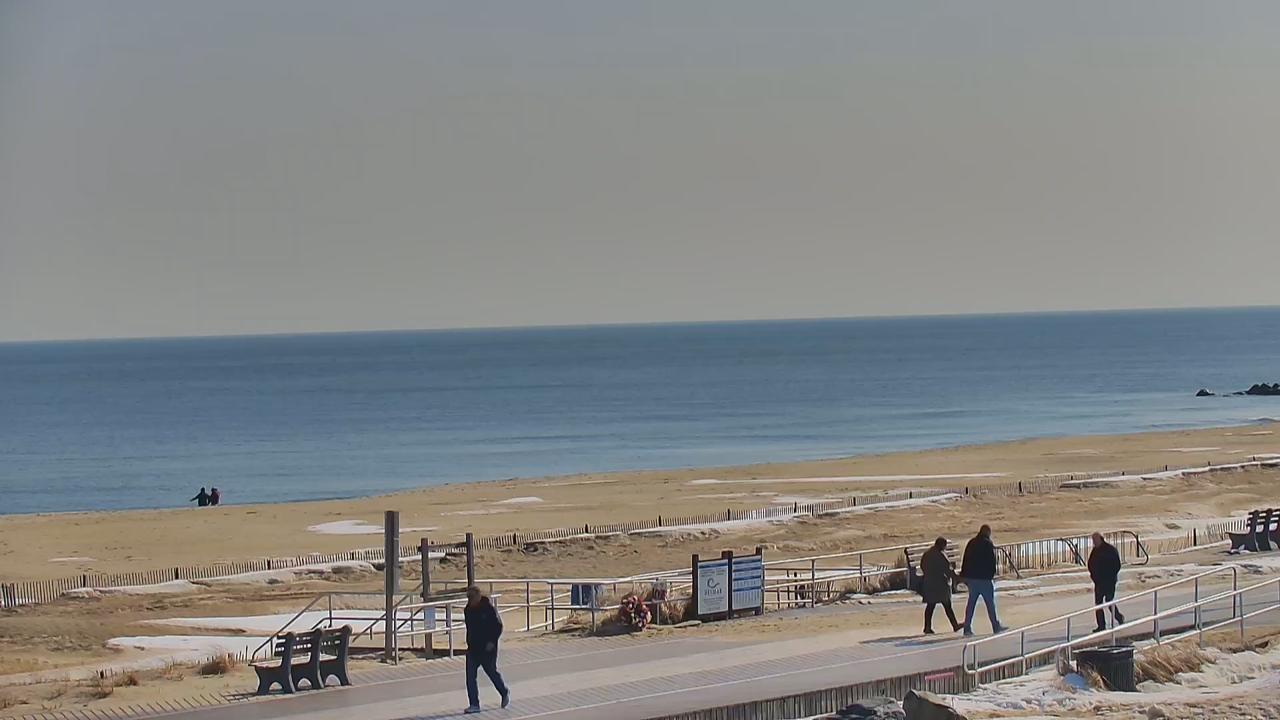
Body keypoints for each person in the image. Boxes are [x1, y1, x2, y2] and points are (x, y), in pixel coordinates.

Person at [463, 586, 509, 713]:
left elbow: (498, 626)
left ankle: (504, 691)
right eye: (468, 597)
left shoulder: (488, 609)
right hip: (473, 649)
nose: (470, 600)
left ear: (478, 596)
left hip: (488, 648)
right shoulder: (468, 610)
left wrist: (491, 642)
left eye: (472, 597)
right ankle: (474, 704)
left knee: (491, 672)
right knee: (470, 677)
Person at [960, 524, 1005, 636]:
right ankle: (995, 626)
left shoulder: (971, 542)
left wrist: (964, 575)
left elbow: (966, 559)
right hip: (984, 579)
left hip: (972, 579)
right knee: (990, 604)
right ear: (987, 532)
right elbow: (991, 561)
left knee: (971, 604)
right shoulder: (987, 544)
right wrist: (991, 574)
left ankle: (967, 627)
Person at [920, 537, 962, 634]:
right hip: (940, 584)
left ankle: (927, 627)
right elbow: (948, 570)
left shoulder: (927, 554)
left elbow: (923, 566)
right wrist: (957, 578)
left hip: (929, 583)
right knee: (947, 605)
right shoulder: (941, 555)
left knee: (930, 606)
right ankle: (955, 625)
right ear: (942, 545)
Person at [1088, 532, 1125, 632]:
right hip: (1098, 582)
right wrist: (1093, 576)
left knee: (1109, 601)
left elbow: (1117, 565)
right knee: (1098, 604)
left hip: (1109, 582)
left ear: (1101, 539)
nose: (1094, 542)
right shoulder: (1095, 551)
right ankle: (1101, 625)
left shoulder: (1110, 550)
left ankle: (1118, 617)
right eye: (1093, 540)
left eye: (1095, 540)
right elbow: (1090, 564)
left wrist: (1110, 577)